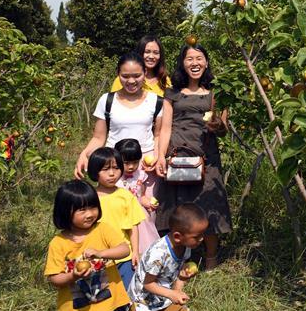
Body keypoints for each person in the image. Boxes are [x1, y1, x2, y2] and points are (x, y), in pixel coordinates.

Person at [155, 43, 232, 269]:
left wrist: (217, 125)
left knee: (208, 204)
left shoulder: (216, 93)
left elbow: (223, 129)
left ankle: (210, 257)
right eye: (189, 59)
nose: (194, 63)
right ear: (182, 63)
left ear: (206, 62)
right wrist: (161, 155)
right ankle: (177, 259)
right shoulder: (172, 94)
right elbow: (165, 127)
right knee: (176, 207)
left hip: (206, 157)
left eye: (199, 58)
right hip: (177, 156)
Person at [44, 180, 131, 311]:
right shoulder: (58, 244)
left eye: (92, 207)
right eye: (82, 210)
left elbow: (124, 249)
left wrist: (102, 253)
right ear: (65, 212)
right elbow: (54, 278)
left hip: (105, 309)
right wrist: (73, 276)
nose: (90, 214)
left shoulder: (102, 229)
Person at [128, 203, 207, 311]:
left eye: (202, 235)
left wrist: (182, 279)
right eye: (197, 236)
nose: (201, 239)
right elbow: (148, 284)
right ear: (178, 236)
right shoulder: (159, 253)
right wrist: (173, 295)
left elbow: (175, 279)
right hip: (145, 305)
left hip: (163, 297)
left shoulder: (185, 247)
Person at [75, 52, 164, 179]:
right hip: (114, 166)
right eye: (125, 76)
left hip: (145, 165)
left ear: (145, 72)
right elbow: (98, 138)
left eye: (137, 76)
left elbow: (158, 136)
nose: (131, 81)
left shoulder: (157, 101)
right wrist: (84, 154)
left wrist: (157, 157)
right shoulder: (107, 100)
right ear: (118, 74)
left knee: (145, 199)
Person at [87, 147, 147, 291]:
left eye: (116, 168)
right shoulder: (89, 198)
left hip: (124, 257)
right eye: (106, 169)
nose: (112, 173)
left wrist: (135, 251)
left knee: (128, 293)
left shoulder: (126, 196)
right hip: (98, 256)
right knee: (104, 295)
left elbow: (133, 226)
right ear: (95, 171)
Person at [114, 138, 160, 256]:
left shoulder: (140, 175)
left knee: (144, 243)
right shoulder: (114, 178)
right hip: (121, 215)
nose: (131, 167)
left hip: (139, 217)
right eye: (126, 163)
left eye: (135, 162)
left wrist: (148, 203)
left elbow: (141, 196)